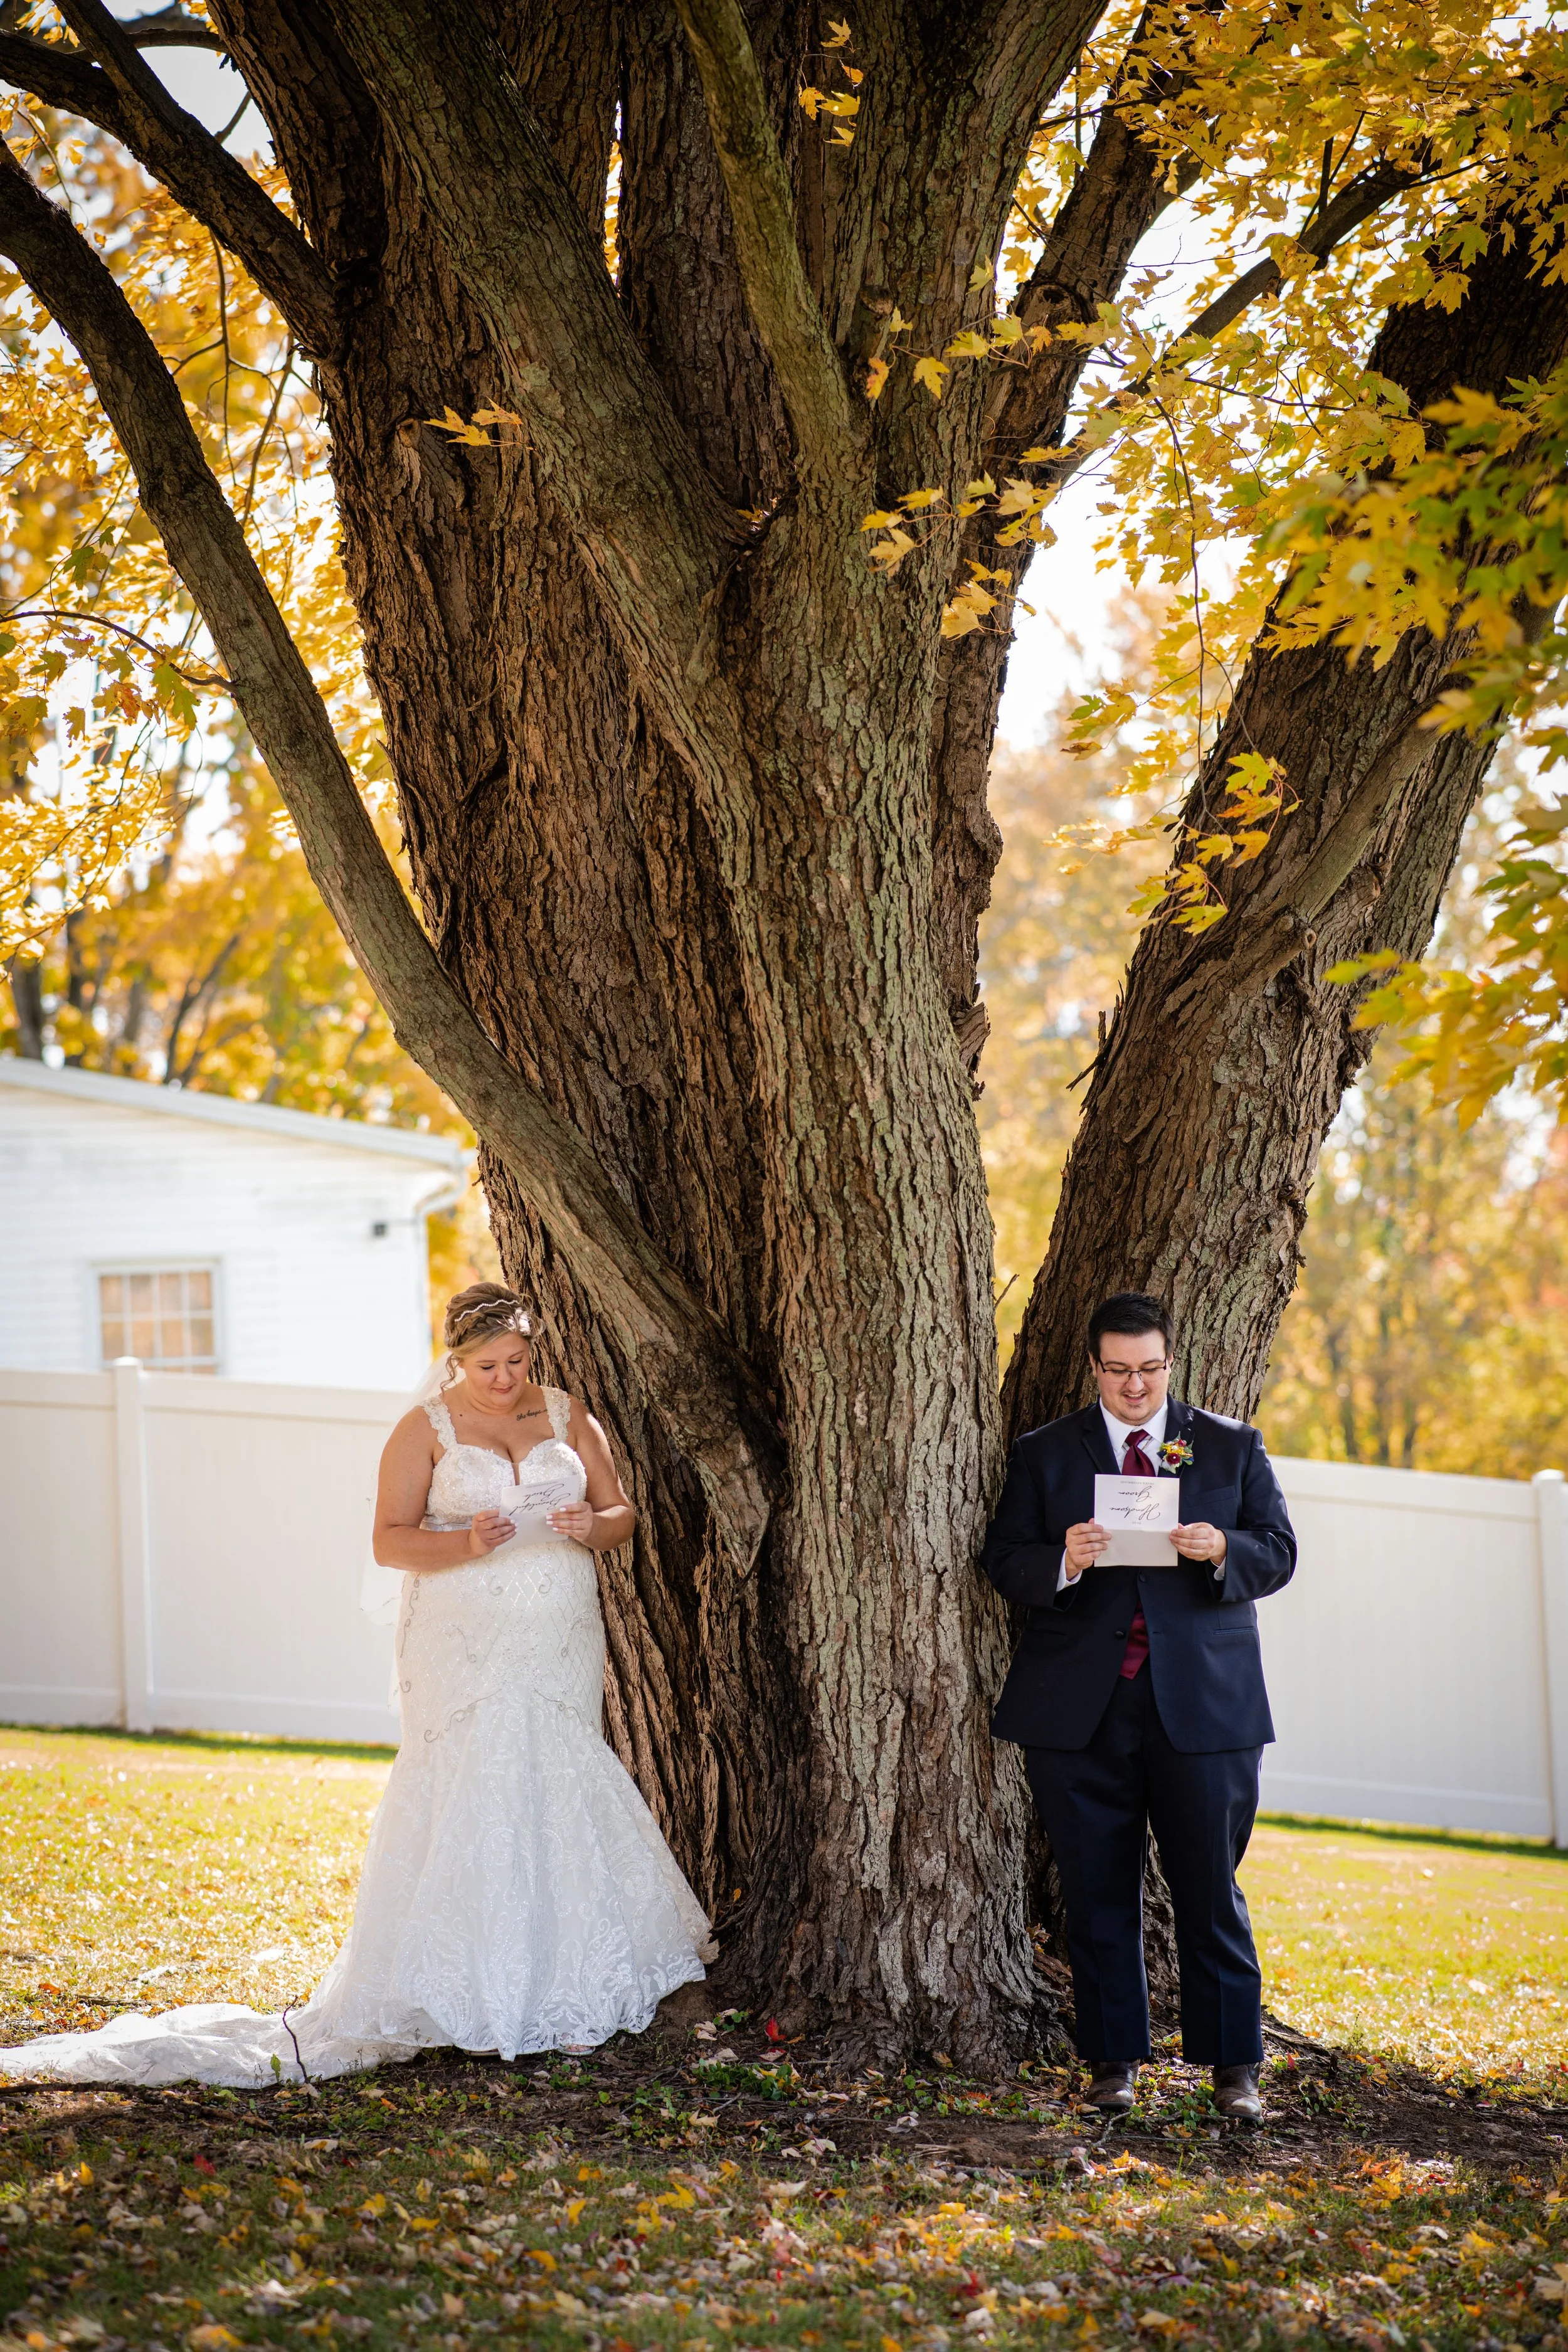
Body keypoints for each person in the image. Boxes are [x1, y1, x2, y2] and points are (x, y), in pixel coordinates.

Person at [0, 1283, 713, 2087]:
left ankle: (570, 1980)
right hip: (463, 1632)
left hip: (559, 1630)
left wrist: (594, 1525)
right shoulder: (424, 1429)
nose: (506, 1378)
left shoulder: (567, 1414)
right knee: (475, 1781)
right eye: (488, 1366)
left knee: (555, 1770)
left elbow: (622, 1513)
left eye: (517, 1361)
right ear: (456, 1359)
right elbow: (389, 1542)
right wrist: (470, 1543)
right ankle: (465, 1987)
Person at [982, 1291, 1295, 2122]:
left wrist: (1223, 1545)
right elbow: (1003, 1558)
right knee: (1097, 1890)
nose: (1135, 1386)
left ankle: (1235, 2069)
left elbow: (1280, 1551)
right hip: (1081, 1709)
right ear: (1095, 1367)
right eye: (1119, 1370)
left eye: (1149, 1369)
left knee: (1208, 1887)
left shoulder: (1228, 1446)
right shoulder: (1047, 1453)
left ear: (1169, 1361)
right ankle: (1112, 2062)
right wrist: (1064, 1559)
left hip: (1205, 1706)